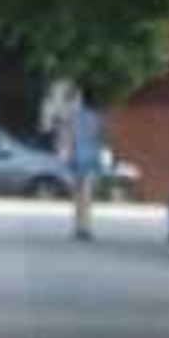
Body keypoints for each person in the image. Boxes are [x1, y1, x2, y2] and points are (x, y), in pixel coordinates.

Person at [69, 88, 105, 239]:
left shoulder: (75, 116)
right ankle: (86, 228)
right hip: (90, 158)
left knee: (77, 195)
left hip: (77, 157)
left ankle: (77, 226)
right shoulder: (97, 117)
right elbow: (100, 138)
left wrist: (70, 155)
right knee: (87, 195)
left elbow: (71, 137)